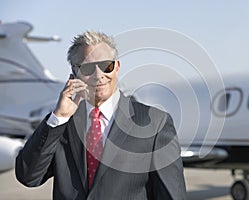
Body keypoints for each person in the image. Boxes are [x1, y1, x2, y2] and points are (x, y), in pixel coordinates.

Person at [15, 31, 187, 200]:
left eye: (107, 66)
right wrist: (58, 118)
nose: (99, 75)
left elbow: (171, 194)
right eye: (88, 68)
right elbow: (28, 177)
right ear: (74, 74)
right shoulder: (61, 125)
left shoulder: (156, 123)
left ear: (117, 67)